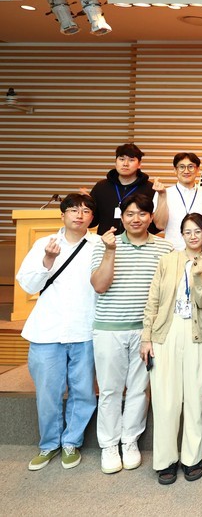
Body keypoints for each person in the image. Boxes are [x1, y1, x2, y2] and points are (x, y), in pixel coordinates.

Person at [90, 193, 175, 474]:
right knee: (110, 389)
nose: (135, 219)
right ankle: (109, 445)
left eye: (142, 213)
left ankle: (130, 441)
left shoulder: (165, 249)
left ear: (151, 218)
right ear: (121, 216)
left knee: (139, 389)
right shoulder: (104, 244)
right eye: (129, 214)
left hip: (146, 331)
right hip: (109, 328)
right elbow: (99, 285)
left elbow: (168, 293)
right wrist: (110, 251)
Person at [17, 193, 99, 471]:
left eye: (86, 210)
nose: (79, 215)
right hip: (47, 330)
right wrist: (47, 260)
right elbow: (28, 285)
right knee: (48, 392)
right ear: (62, 214)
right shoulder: (45, 243)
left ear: (92, 217)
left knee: (83, 391)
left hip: (85, 329)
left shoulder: (99, 245)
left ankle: (71, 441)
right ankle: (49, 443)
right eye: (73, 210)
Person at [140, 213, 202, 484]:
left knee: (194, 398)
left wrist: (197, 276)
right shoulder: (167, 260)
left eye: (198, 231)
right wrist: (146, 337)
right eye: (187, 232)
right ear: (181, 235)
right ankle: (166, 460)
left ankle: (192, 458)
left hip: (195, 334)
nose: (193, 236)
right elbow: (153, 300)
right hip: (165, 332)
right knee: (165, 399)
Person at [88, 143, 159, 235]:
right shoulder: (101, 187)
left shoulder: (150, 189)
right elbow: (92, 222)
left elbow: (157, 225)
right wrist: (87, 206)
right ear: (116, 162)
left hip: (139, 241)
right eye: (121, 159)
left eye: (131, 160)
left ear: (139, 164)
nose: (125, 164)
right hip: (106, 240)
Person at [153, 152, 202, 250]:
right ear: (175, 170)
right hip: (172, 250)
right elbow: (160, 225)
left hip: (199, 251)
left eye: (191, 167)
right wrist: (162, 196)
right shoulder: (163, 193)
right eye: (182, 167)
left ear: (197, 169)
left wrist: (197, 230)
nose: (186, 171)